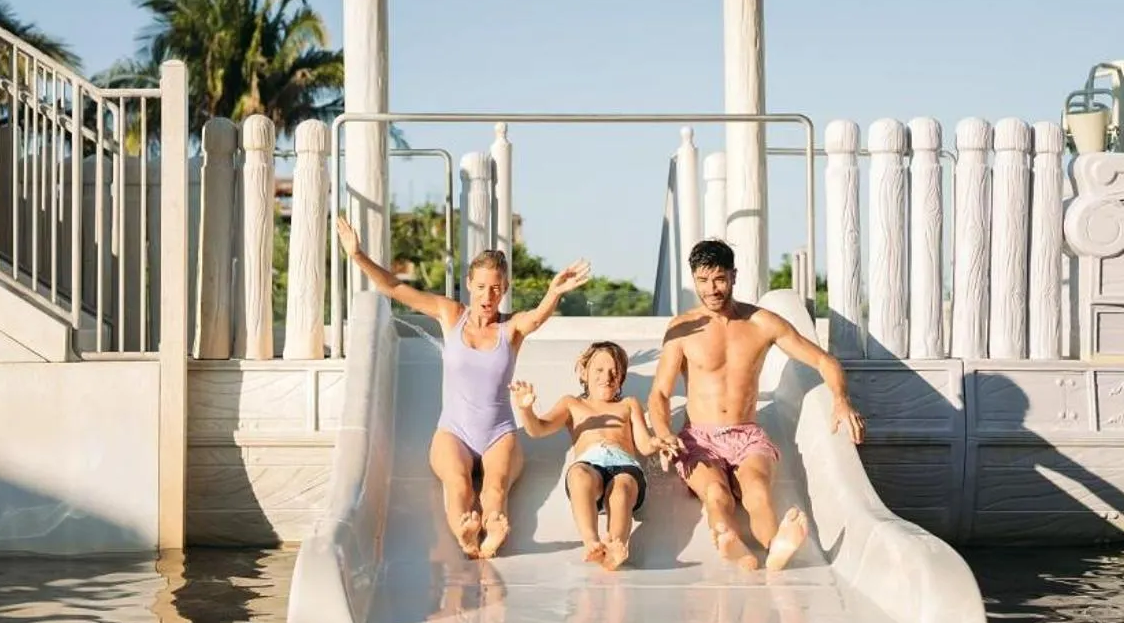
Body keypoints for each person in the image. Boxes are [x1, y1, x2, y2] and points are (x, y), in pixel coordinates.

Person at [333, 214, 590, 559]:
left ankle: (494, 528)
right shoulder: (450, 314)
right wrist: (358, 255)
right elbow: (395, 288)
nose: (488, 295)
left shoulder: (509, 329)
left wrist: (553, 293)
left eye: (496, 288)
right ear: (469, 283)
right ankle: (467, 536)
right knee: (458, 483)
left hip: (499, 432)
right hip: (453, 431)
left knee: (495, 488)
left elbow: (537, 318)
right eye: (482, 286)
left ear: (505, 289)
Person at [647, 238, 866, 572]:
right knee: (717, 495)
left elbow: (824, 361)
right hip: (698, 439)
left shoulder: (762, 323)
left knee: (758, 491)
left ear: (734, 276)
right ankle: (733, 546)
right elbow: (660, 393)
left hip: (747, 435)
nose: (712, 289)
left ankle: (774, 546)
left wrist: (841, 401)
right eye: (703, 281)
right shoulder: (682, 329)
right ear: (694, 280)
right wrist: (663, 433)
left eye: (719, 279)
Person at [510, 340, 664, 571]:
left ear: (621, 377)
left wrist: (658, 441)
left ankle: (616, 544)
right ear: (584, 372)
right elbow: (538, 429)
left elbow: (644, 445)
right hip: (590, 464)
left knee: (621, 488)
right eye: (599, 370)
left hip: (624, 465)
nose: (607, 376)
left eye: (614, 371)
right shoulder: (572, 404)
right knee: (579, 475)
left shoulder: (628, 404)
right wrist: (525, 409)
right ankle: (592, 541)